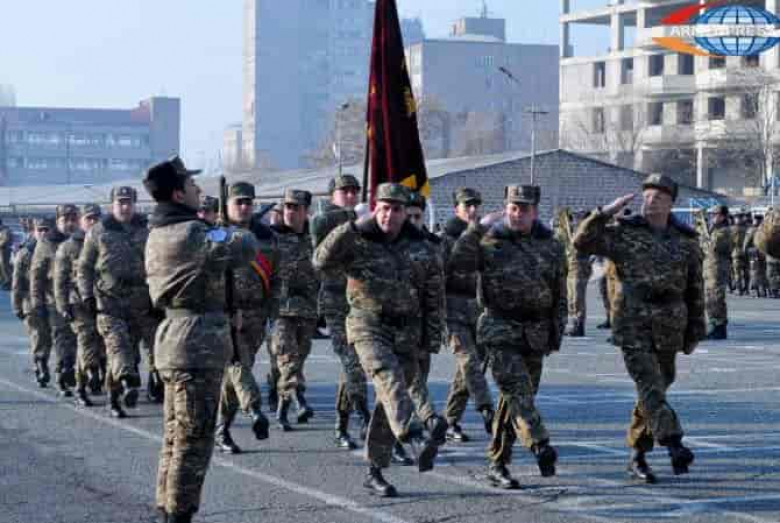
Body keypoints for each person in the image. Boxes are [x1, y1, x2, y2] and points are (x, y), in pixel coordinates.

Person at [144, 156, 259, 523]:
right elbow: (246, 247)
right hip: (195, 346)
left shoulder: (161, 230)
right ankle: (178, 515)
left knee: (176, 436)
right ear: (178, 195)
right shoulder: (192, 233)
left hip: (177, 342)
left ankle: (167, 508)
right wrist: (231, 226)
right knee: (193, 441)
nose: (198, 190)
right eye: (192, 186)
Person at [313, 183, 445, 497]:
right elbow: (320, 261)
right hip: (367, 324)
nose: (389, 215)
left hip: (407, 330)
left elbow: (433, 295)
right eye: (384, 208)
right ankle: (411, 431)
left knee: (388, 402)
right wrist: (350, 227)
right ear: (375, 209)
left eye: (396, 209)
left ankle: (375, 471)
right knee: (387, 375)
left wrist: (431, 339)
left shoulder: (422, 247)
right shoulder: (357, 239)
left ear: (405, 213)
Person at [573, 174, 705, 484]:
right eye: (647, 195)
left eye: (658, 196)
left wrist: (695, 330)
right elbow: (582, 241)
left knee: (657, 387)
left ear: (671, 203)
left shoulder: (686, 241)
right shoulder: (625, 232)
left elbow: (694, 288)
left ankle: (638, 454)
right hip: (633, 320)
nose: (651, 201)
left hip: (670, 322)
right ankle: (674, 443)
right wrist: (603, 213)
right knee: (648, 383)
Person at [448, 185, 566, 490]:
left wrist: (556, 331)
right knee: (518, 392)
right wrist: (477, 228)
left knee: (514, 400)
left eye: (524, 209)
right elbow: (458, 261)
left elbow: (559, 292)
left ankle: (497, 463)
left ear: (534, 212)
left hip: (535, 332)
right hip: (499, 328)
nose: (517, 214)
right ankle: (540, 444)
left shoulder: (550, 246)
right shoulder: (489, 241)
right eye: (513, 208)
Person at [78, 186, 162, 418]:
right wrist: (86, 296)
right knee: (117, 346)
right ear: (112, 205)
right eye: (120, 202)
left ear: (135, 204)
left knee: (133, 351)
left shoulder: (147, 229)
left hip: (140, 300)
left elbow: (159, 265)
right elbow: (84, 267)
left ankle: (116, 395)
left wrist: (159, 297)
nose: (125, 207)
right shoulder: (98, 231)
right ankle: (126, 384)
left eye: (128, 202)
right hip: (109, 299)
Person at [310, 174, 371, 449]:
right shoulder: (325, 218)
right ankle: (364, 416)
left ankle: (342, 424)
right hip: (335, 302)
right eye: (344, 191)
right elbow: (319, 223)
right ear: (332, 195)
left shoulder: (361, 219)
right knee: (352, 362)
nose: (350, 195)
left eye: (354, 190)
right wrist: (354, 216)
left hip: (359, 302)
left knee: (353, 366)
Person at [214, 182, 272, 454]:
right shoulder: (216, 234)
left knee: (236, 375)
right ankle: (255, 409)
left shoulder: (266, 237)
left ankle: (221, 429)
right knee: (238, 364)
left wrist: (273, 311)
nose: (244, 207)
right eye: (238, 202)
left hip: (257, 315)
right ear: (226, 206)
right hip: (227, 315)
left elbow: (277, 276)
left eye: (248, 202)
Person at [439, 188, 494, 443]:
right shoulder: (446, 238)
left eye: (475, 205)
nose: (472, 210)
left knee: (470, 370)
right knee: (469, 362)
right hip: (453, 310)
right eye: (466, 205)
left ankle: (449, 422)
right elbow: (440, 274)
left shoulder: (483, 237)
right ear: (456, 209)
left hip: (478, 311)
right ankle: (487, 409)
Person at [270, 189, 319, 431]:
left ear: (305, 211)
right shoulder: (273, 237)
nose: (290, 212)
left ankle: (282, 411)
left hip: (307, 311)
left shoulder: (314, 237)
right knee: (287, 358)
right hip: (280, 311)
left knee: (296, 362)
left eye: (295, 208)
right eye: (287, 206)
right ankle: (299, 399)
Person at [54, 203, 106, 406]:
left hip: (103, 302)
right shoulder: (68, 247)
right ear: (81, 221)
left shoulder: (106, 241)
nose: (92, 222)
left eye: (96, 218)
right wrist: (63, 306)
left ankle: (98, 378)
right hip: (78, 304)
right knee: (86, 343)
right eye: (88, 218)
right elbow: (60, 280)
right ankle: (81, 386)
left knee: (102, 345)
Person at [30, 205, 79, 396]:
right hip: (55, 300)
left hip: (80, 300)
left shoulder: (82, 240)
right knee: (62, 338)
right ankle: (62, 374)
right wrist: (37, 303)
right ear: (57, 221)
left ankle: (78, 372)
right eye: (65, 220)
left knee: (80, 340)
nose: (70, 224)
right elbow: (36, 276)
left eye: (73, 219)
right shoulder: (47, 243)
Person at [12, 218, 52, 387]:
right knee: (38, 335)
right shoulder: (25, 253)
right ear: (34, 232)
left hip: (51, 299)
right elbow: (17, 283)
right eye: (40, 230)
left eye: (46, 230)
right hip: (30, 301)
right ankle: (40, 365)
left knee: (54, 336)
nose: (43, 233)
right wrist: (17, 306)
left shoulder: (55, 248)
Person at [697, 205, 731, 340]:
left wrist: (704, 233)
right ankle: (714, 324)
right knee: (710, 298)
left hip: (718, 269)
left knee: (715, 298)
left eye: (715, 215)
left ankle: (718, 326)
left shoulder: (724, 231)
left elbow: (712, 247)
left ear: (722, 216)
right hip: (710, 268)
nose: (712, 217)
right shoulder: (715, 230)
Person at [745, 214, 769, 298]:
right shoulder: (766, 229)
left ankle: (755, 290)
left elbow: (746, 243)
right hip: (764, 253)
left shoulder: (752, 230)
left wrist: (745, 252)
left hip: (754, 254)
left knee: (754, 272)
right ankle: (763, 290)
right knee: (763, 272)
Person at [0, 218, 13, 289]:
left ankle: (8, 281)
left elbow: (5, 240)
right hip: (1, 249)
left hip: (5, 250)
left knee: (5, 266)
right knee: (1, 266)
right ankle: (3, 280)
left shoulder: (5, 230)